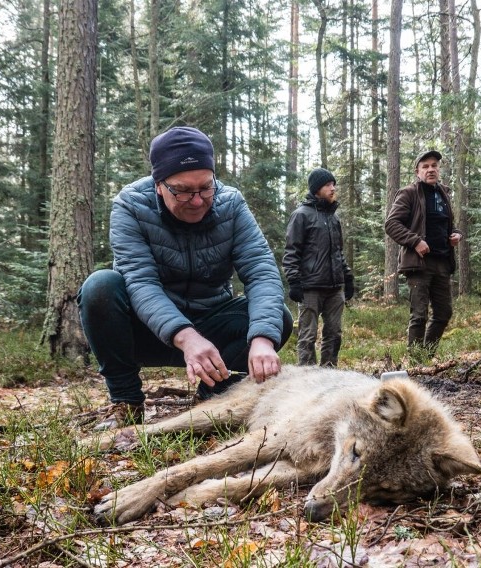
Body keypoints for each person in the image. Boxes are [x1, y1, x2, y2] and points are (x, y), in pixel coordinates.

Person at [78, 126, 293, 429]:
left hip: (212, 324)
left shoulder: (231, 204)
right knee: (100, 287)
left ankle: (213, 397)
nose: (197, 201)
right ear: (158, 185)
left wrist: (262, 339)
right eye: (183, 190)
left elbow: (261, 271)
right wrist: (186, 337)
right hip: (148, 329)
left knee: (275, 319)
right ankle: (126, 402)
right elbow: (140, 282)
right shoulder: (130, 205)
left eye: (206, 188)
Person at [385, 150, 462, 357]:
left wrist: (456, 235)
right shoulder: (409, 193)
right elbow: (391, 224)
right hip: (419, 265)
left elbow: (449, 224)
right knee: (419, 315)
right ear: (417, 171)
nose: (431, 170)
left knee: (444, 313)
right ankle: (416, 364)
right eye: (425, 166)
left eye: (434, 165)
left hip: (442, 263)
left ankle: (424, 357)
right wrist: (415, 241)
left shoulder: (444, 192)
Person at [283, 167, 354, 367]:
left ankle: (329, 376)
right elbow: (291, 251)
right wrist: (294, 281)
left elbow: (338, 252)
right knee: (307, 336)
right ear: (316, 189)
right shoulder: (301, 215)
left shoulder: (334, 217)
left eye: (333, 185)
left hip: (334, 288)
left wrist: (347, 277)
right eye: (327, 185)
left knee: (334, 334)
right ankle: (306, 379)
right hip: (310, 287)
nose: (333, 189)